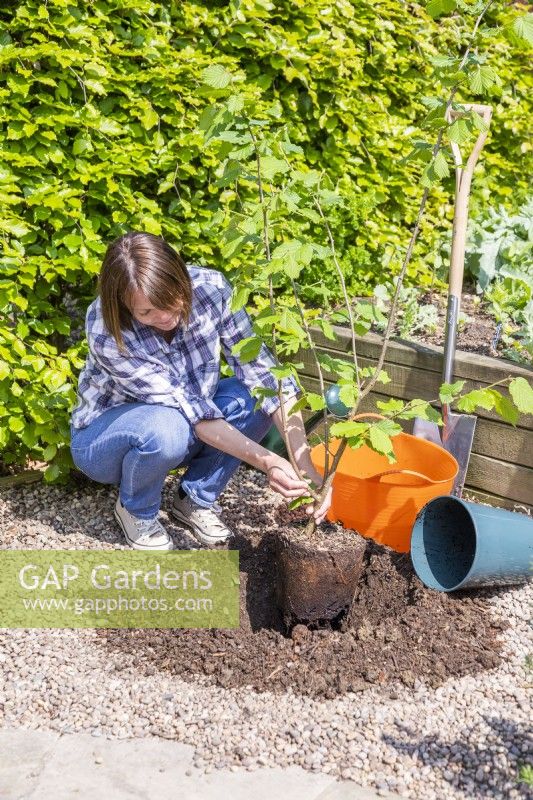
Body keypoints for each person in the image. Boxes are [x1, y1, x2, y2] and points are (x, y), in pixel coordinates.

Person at [69, 232, 332, 550]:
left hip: (186, 427)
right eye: (146, 312)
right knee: (166, 427)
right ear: (124, 306)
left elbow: (266, 377)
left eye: (169, 302)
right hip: (103, 443)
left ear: (180, 278)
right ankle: (135, 508)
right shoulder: (107, 328)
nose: (164, 317)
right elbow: (187, 410)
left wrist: (305, 468)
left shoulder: (212, 289)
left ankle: (192, 500)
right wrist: (269, 462)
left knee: (252, 397)